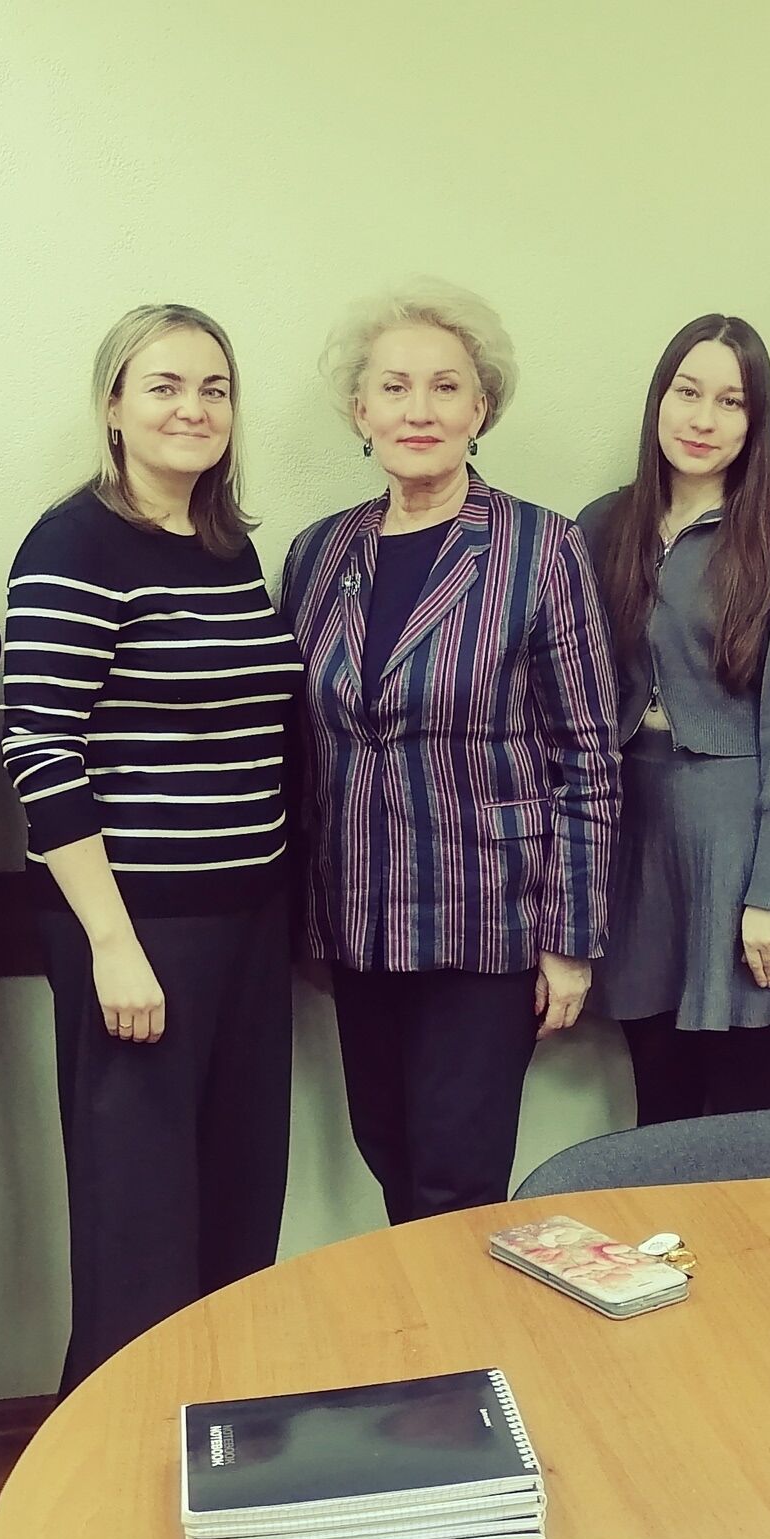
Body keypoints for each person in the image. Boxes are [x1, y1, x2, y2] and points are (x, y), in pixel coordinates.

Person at [2, 305, 300, 1387]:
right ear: (113, 407)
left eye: (214, 388)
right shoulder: (72, 544)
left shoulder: (226, 547)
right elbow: (39, 747)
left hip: (248, 926)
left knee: (237, 1210)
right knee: (140, 1230)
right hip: (138, 934)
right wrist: (115, 945)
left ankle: (225, 1438)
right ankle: (118, 1457)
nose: (193, 409)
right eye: (164, 386)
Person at [284, 280, 619, 1222]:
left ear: (481, 409)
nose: (418, 410)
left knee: (457, 1185)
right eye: (393, 388)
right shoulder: (317, 554)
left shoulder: (540, 548)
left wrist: (571, 942)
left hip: (486, 924)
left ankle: (464, 1325)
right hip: (357, 922)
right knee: (388, 1156)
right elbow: (302, 748)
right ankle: (420, 1321)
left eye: (444, 387)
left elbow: (588, 757)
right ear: (360, 411)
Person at [578, 313, 770, 1124]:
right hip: (636, 841)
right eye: (687, 392)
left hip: (742, 839)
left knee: (749, 1117)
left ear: (755, 422)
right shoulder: (600, 527)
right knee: (659, 1111)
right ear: (658, 401)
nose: (703, 419)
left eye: (731, 402)